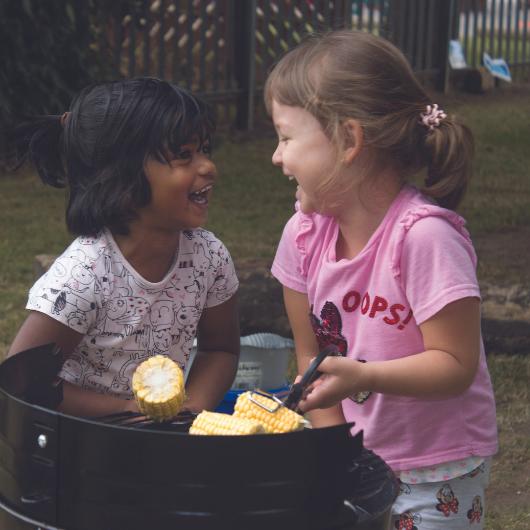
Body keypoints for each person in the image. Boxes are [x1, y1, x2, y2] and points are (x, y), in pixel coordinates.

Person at [265, 30, 497, 529]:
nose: (276, 157)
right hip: (353, 461)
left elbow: (455, 365)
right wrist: (335, 452)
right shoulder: (303, 236)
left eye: (286, 137)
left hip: (436, 471)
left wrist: (365, 376)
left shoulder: (425, 239)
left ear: (349, 139)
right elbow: (311, 361)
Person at [5, 77, 240, 418]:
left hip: (157, 447)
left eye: (205, 149)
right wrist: (128, 411)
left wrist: (189, 410)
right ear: (123, 180)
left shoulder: (209, 258)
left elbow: (221, 350)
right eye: (184, 155)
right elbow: (22, 384)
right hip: (79, 452)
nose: (208, 166)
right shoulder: (82, 278)